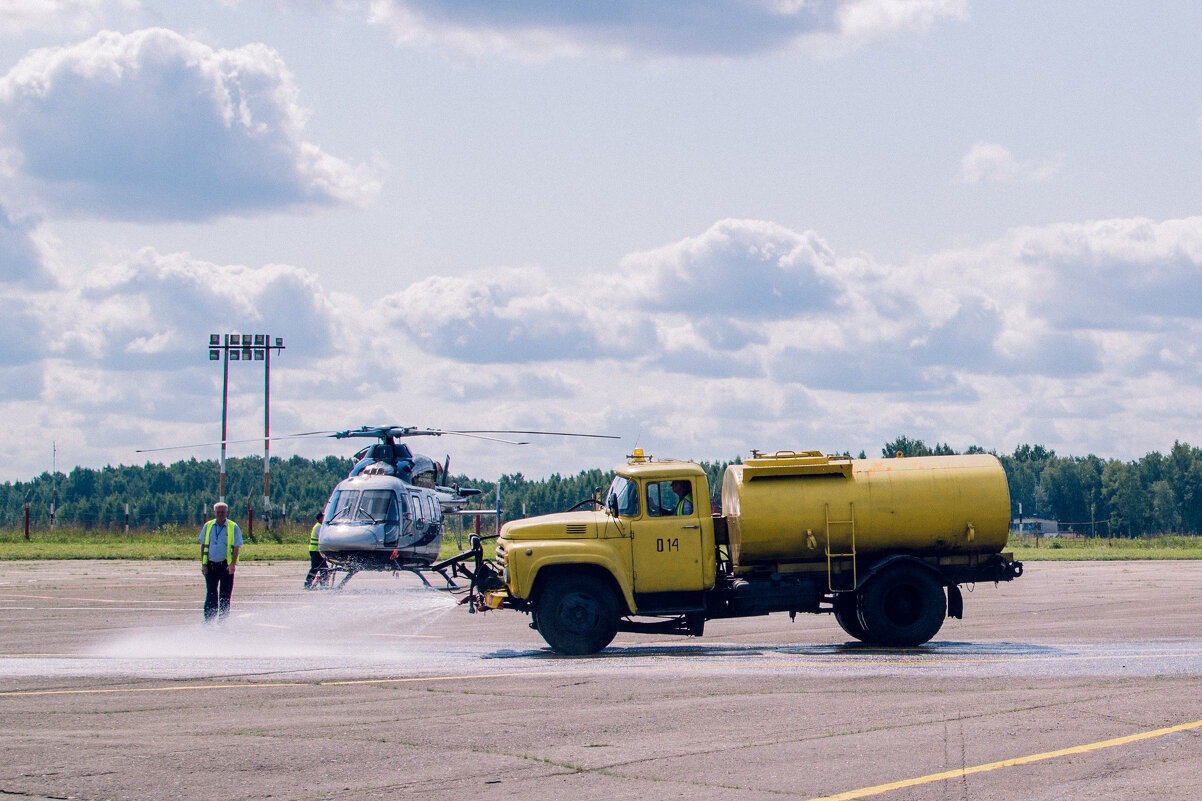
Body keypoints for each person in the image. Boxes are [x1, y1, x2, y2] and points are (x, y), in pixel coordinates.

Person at [199, 501, 242, 623]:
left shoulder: (233, 527)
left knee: (225, 596)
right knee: (211, 594)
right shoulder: (208, 526)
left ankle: (223, 621)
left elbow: (236, 547)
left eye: (223, 512)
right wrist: (204, 564)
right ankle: (208, 620)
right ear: (214, 513)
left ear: (227, 512)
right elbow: (203, 546)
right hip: (211, 566)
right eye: (218, 512)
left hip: (225, 567)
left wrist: (232, 564)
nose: (221, 514)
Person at [303, 512, 328, 589]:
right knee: (315, 567)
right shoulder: (318, 527)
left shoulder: (320, 526)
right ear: (320, 518)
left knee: (323, 567)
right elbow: (323, 536)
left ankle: (323, 583)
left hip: (318, 551)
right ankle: (308, 583)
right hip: (315, 551)